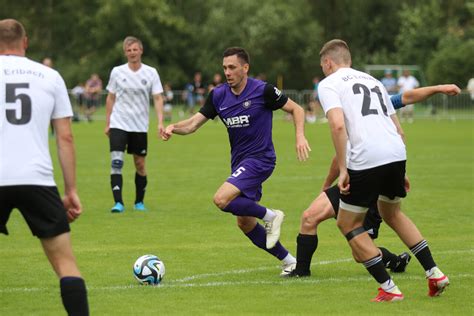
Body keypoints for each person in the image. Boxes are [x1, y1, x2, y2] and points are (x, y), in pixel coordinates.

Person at [317, 39, 448, 302]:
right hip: (395, 154)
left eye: (322, 66)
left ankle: (389, 288)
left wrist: (343, 169)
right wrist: (399, 170)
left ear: (328, 62)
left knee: (347, 223)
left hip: (366, 157)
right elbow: (398, 128)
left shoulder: (329, 84)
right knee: (393, 213)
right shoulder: (373, 81)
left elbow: (338, 126)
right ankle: (435, 273)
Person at [162, 47, 311, 275]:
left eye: (232, 67)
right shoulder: (219, 95)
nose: (227, 72)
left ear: (245, 68)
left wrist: (300, 136)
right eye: (224, 68)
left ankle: (271, 215)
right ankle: (290, 261)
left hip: (260, 159)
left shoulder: (263, 91)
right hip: (240, 164)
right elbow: (192, 124)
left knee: (221, 199)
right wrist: (174, 127)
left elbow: (297, 109)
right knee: (245, 222)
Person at [289, 84, 461, 278]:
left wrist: (439, 89)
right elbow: (341, 153)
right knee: (310, 216)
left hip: (371, 180)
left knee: (359, 253)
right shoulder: (347, 108)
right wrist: (327, 184)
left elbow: (407, 99)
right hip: (353, 177)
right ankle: (301, 272)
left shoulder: (377, 102)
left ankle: (395, 263)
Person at [0, 19, 89, 315]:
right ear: (25, 42)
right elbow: (65, 137)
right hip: (36, 179)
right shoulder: (49, 76)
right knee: (66, 265)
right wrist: (71, 189)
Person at [104, 36, 164, 213]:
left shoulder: (151, 72)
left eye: (135, 49)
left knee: (140, 164)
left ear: (141, 51)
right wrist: (108, 122)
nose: (132, 53)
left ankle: (139, 202)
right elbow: (111, 97)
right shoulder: (117, 72)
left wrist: (160, 122)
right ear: (125, 53)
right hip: (119, 122)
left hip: (139, 125)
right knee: (116, 162)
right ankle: (118, 203)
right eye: (129, 50)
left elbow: (158, 98)